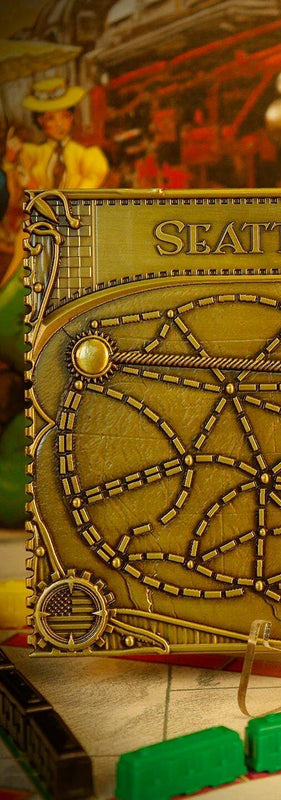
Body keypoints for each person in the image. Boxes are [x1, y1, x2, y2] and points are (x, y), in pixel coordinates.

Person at [0, 77, 108, 528]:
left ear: (70, 118)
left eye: (61, 117)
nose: (55, 124)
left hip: (74, 256)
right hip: (33, 254)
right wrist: (15, 169)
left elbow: (81, 200)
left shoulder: (87, 158)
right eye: (47, 119)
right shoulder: (30, 156)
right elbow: (21, 201)